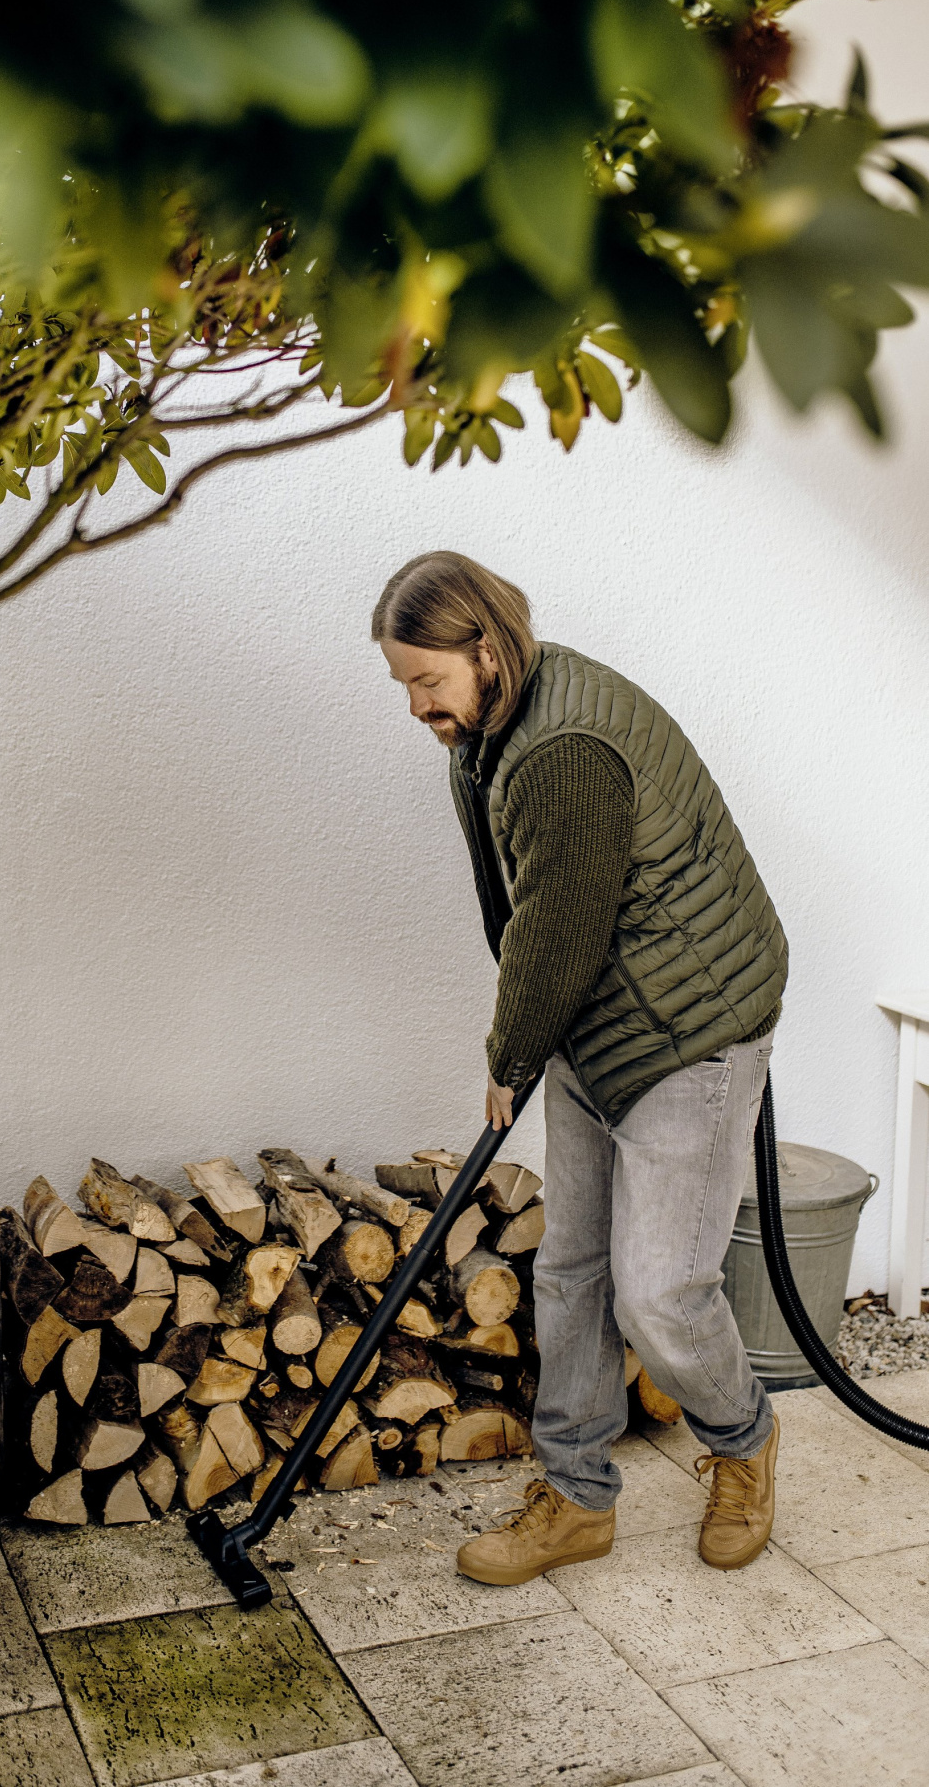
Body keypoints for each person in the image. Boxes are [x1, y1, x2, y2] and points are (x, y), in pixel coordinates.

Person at [373, 551, 787, 1582]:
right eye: (404, 684)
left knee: (660, 1293)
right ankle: (575, 1498)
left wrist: (510, 1052)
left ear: (484, 648)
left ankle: (744, 1442)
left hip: (687, 1027)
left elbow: (559, 926)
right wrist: (537, 1037)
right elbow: (525, 911)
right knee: (570, 1272)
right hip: (597, 1014)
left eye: (427, 679)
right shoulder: (493, 724)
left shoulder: (560, 748)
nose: (417, 705)